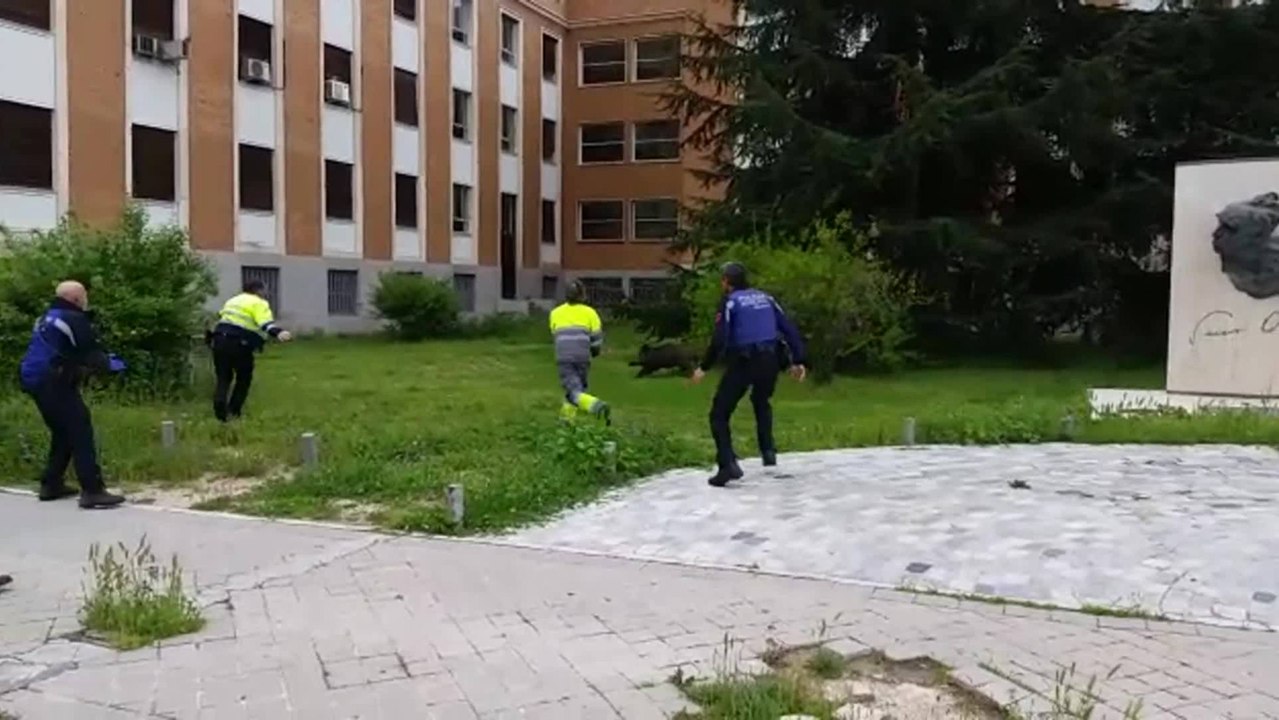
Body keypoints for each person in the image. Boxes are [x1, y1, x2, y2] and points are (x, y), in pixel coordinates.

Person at [692, 262, 807, 487]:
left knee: (719, 413)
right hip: (770, 361)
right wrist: (798, 360)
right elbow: (788, 329)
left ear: (726, 281)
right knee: (761, 400)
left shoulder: (730, 302)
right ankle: (768, 452)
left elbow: (720, 339)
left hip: (745, 361)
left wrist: (704, 367)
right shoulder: (766, 298)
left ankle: (728, 464)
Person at [18, 280, 127, 508]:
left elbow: (63, 350)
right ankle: (92, 490)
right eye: (85, 295)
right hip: (54, 380)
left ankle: (51, 484)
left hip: (34, 379)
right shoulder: (73, 318)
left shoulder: (46, 318)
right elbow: (90, 352)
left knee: (63, 431)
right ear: (77, 298)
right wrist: (113, 365)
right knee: (80, 429)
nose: (87, 300)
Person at [209, 280, 292, 422]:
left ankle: (220, 405)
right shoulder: (259, 303)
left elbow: (223, 317)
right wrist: (279, 332)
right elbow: (265, 323)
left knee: (223, 377)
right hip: (240, 343)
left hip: (219, 340)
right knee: (244, 378)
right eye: (263, 290)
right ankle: (234, 411)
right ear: (258, 290)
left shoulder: (232, 301)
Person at [548, 280, 611, 424]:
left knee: (572, 389)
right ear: (582, 295)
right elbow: (596, 337)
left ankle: (596, 406)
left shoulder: (555, 313)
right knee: (577, 389)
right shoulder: (590, 312)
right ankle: (566, 421)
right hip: (582, 356)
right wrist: (595, 351)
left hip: (564, 355)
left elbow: (555, 333)